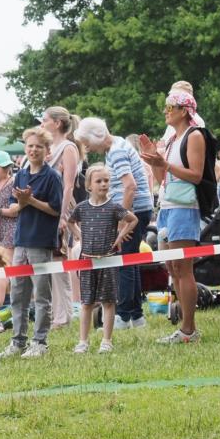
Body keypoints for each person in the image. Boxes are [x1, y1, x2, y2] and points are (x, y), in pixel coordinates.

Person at [138, 89, 206, 344]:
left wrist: (163, 163)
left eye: (170, 106)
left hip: (185, 208)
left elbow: (196, 175)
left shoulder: (194, 135)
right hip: (167, 205)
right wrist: (154, 159)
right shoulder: (173, 140)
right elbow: (162, 179)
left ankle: (189, 329)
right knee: (172, 268)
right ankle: (187, 327)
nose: (166, 111)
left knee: (182, 268)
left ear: (184, 110)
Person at [75, 117, 155, 330]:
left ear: (96, 136)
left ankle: (123, 315)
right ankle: (137, 316)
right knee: (131, 261)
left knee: (124, 263)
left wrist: (122, 222)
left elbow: (130, 186)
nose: (86, 147)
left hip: (134, 211)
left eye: (86, 141)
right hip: (140, 208)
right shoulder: (118, 144)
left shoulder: (117, 151)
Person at [0, 126, 64, 359]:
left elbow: (55, 210)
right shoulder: (21, 174)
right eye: (30, 146)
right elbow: (18, 208)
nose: (34, 150)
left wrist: (30, 200)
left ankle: (40, 342)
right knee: (18, 294)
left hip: (41, 242)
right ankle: (18, 341)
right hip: (21, 240)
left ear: (47, 151)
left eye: (39, 146)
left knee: (41, 294)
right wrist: (13, 207)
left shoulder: (53, 177)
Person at [68, 165, 138, 354]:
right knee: (86, 302)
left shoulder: (114, 207)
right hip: (87, 261)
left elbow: (133, 220)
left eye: (106, 180)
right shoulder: (82, 208)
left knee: (108, 301)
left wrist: (120, 236)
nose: (104, 184)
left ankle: (107, 340)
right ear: (89, 185)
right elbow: (70, 221)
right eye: (99, 181)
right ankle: (83, 341)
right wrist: (80, 236)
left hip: (108, 260)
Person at [40, 107, 84, 329]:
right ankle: (53, 314)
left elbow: (68, 185)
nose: (41, 123)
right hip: (44, 209)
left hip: (60, 210)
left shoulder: (68, 148)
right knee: (47, 263)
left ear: (56, 123)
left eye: (44, 120)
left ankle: (63, 316)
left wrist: (62, 216)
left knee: (59, 262)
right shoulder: (49, 149)